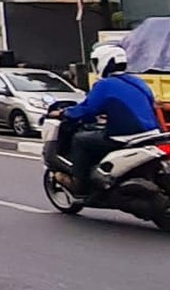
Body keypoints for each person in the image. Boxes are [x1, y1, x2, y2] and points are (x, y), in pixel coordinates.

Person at [51, 43, 161, 195]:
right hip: (152, 133)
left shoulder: (104, 85)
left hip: (124, 135)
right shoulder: (138, 82)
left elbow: (87, 110)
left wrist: (65, 113)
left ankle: (79, 184)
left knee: (80, 140)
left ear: (104, 62)